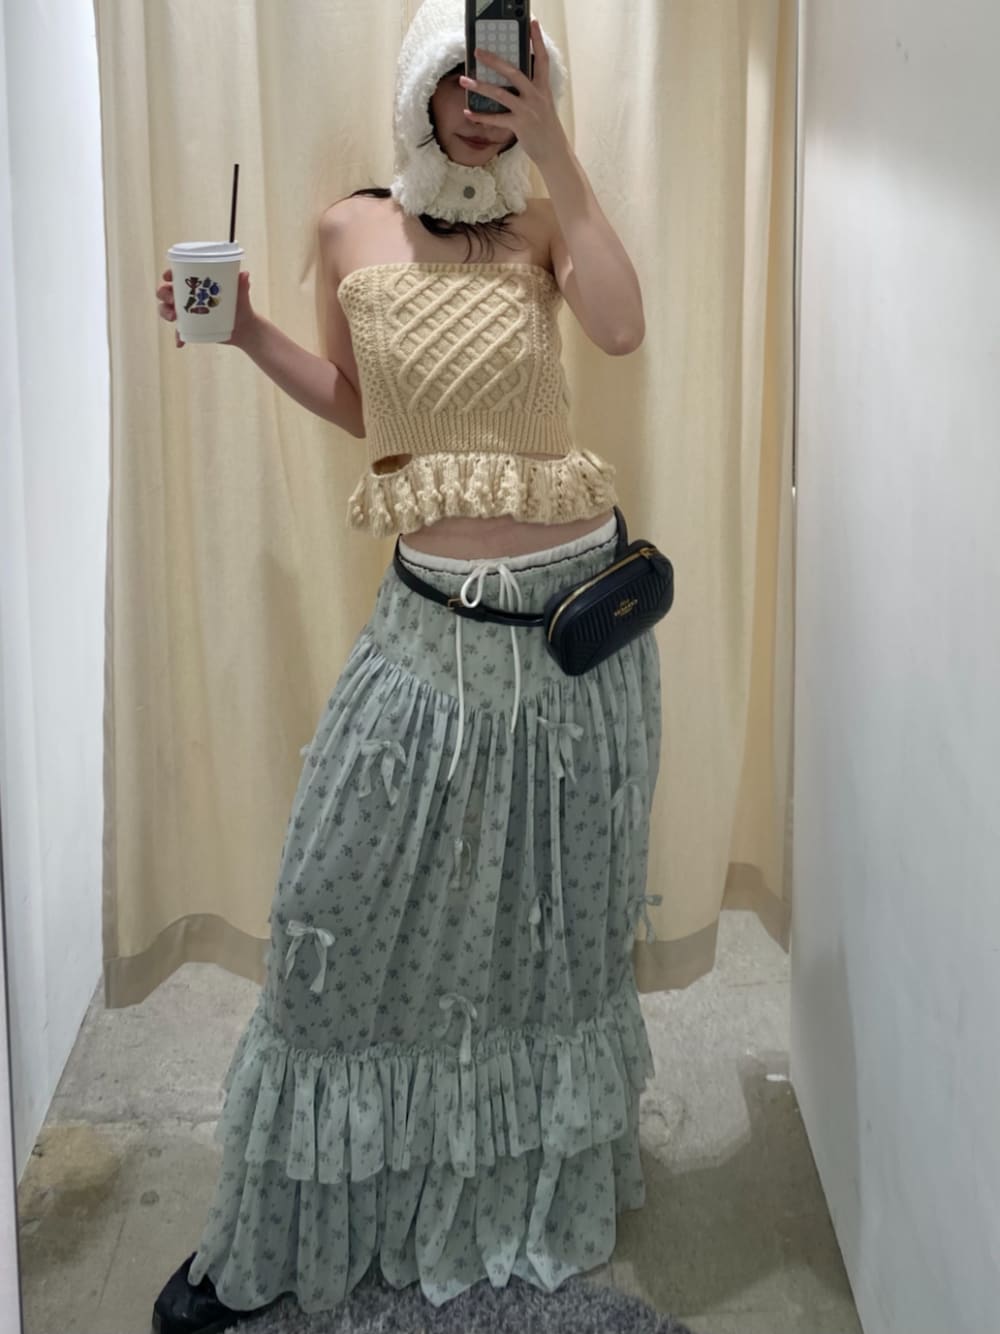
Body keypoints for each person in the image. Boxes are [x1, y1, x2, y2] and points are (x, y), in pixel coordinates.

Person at [150, 2, 661, 1329]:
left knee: (547, 939)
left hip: (573, 636)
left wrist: (560, 148)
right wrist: (247, 330)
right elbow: (364, 409)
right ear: (422, 84)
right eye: (467, 82)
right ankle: (291, 1219)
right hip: (429, 625)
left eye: (514, 86)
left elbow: (621, 329)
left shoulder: (545, 222)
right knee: (339, 905)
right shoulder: (349, 228)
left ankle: (518, 1185)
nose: (487, 107)